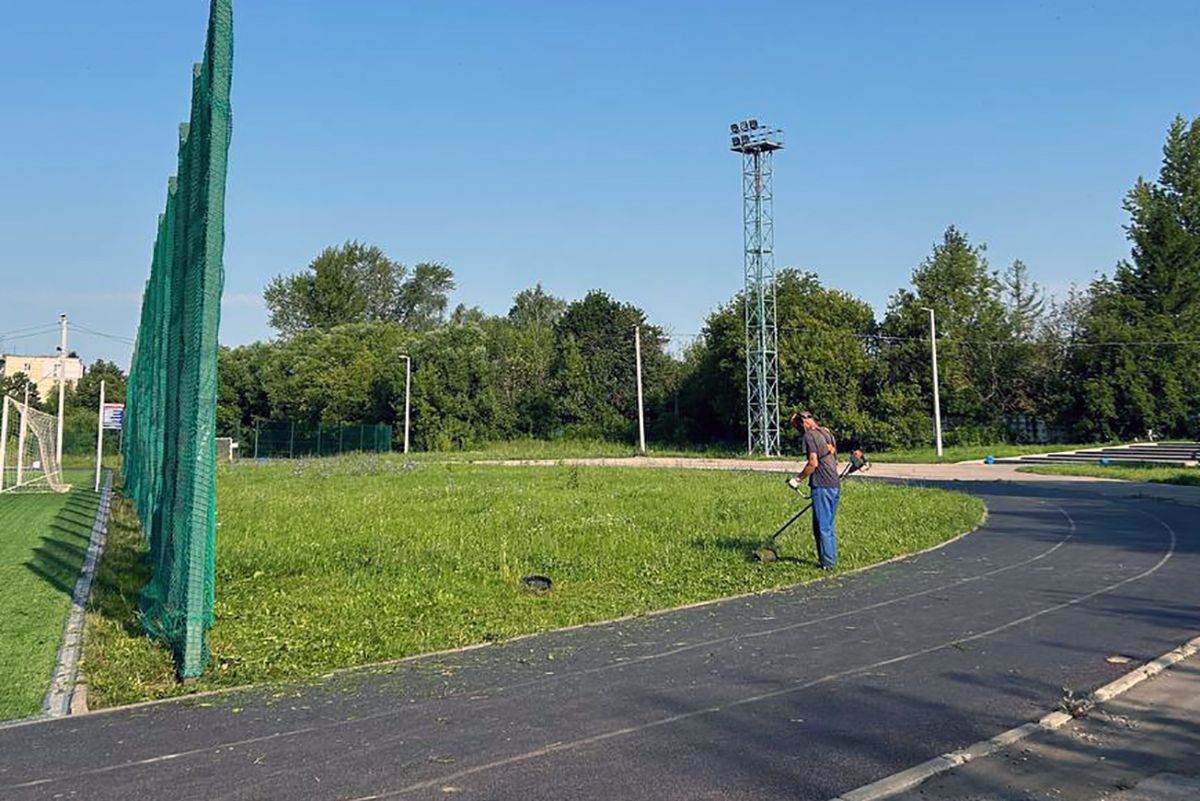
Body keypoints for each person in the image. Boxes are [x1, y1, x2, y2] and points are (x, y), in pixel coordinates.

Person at [788, 411, 840, 569]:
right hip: (834, 484)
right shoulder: (827, 432)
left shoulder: (810, 436)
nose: (799, 431)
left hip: (822, 484)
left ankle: (828, 564)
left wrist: (797, 479)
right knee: (827, 525)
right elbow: (834, 459)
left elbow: (813, 463)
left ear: (803, 422)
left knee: (823, 526)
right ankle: (828, 559)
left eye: (798, 427)